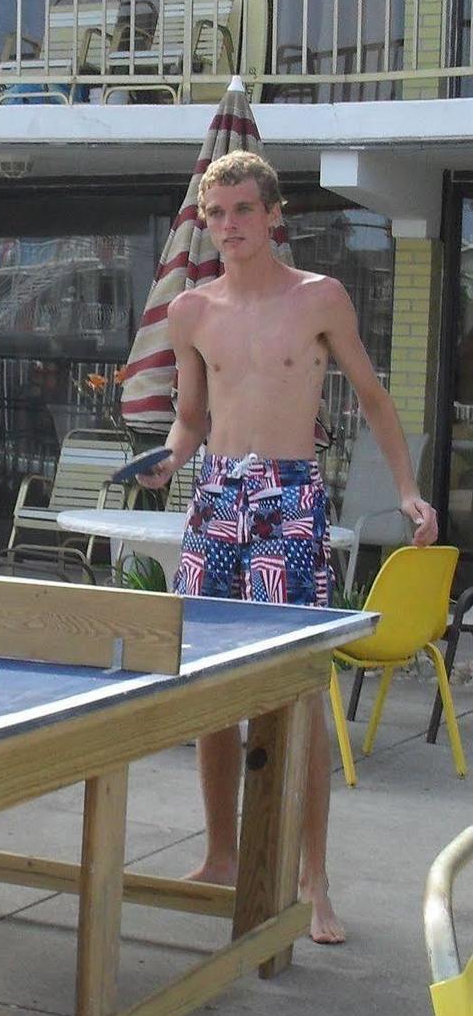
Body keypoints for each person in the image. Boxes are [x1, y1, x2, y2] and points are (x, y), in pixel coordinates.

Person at [137, 149, 436, 946]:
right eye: (216, 213)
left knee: (299, 692)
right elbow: (192, 416)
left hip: (289, 500)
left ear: (274, 216)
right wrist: (171, 456)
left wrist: (406, 489)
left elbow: (373, 398)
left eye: (242, 210)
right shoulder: (191, 311)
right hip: (216, 498)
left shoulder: (319, 298)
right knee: (208, 686)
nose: (228, 225)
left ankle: (314, 877)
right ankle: (223, 855)